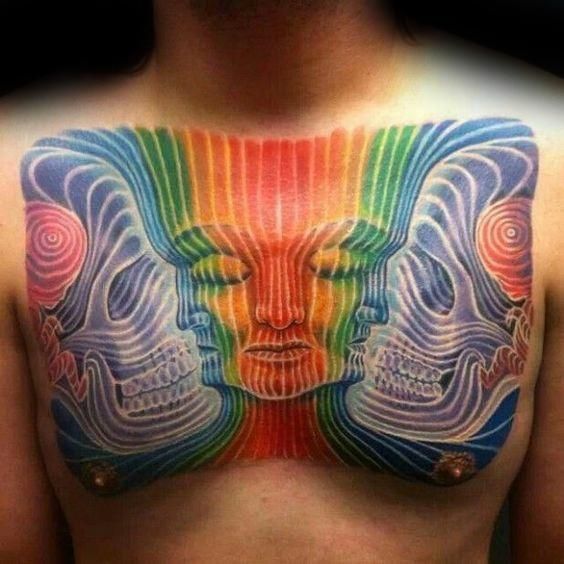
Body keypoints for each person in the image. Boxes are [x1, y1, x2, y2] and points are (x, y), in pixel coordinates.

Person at [1, 1, 563, 562]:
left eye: (338, 268)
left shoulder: (550, 163)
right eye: (220, 275)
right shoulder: (14, 178)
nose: (277, 314)